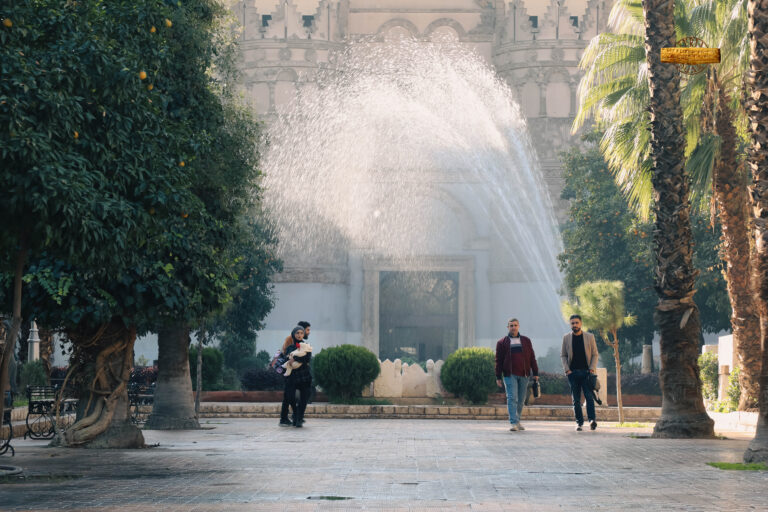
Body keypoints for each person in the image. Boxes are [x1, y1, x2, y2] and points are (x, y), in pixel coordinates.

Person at [495, 318, 539, 432]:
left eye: (515, 325)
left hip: (524, 375)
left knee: (521, 399)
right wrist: (498, 376)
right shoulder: (501, 342)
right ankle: (513, 422)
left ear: (518, 326)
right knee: (512, 398)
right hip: (510, 375)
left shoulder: (526, 341)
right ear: (508, 327)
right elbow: (498, 360)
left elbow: (532, 357)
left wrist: (535, 372)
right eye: (511, 325)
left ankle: (517, 420)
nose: (513, 327)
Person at [561, 314, 599, 431]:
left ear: (581, 323)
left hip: (586, 373)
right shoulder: (566, 338)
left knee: (589, 397)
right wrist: (567, 370)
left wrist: (591, 368)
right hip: (572, 374)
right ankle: (579, 423)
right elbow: (563, 355)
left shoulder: (590, 336)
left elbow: (595, 354)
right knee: (576, 400)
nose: (575, 325)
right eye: (573, 323)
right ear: (570, 324)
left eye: (577, 323)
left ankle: (592, 420)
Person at [279, 326, 313, 428]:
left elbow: (307, 359)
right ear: (293, 334)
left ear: (304, 335)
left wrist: (296, 358)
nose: (299, 335)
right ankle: (294, 415)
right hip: (292, 376)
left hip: (304, 376)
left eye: (301, 333)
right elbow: (287, 358)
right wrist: (292, 359)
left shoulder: (307, 346)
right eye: (297, 333)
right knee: (289, 397)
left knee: (304, 397)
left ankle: (299, 418)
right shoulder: (290, 347)